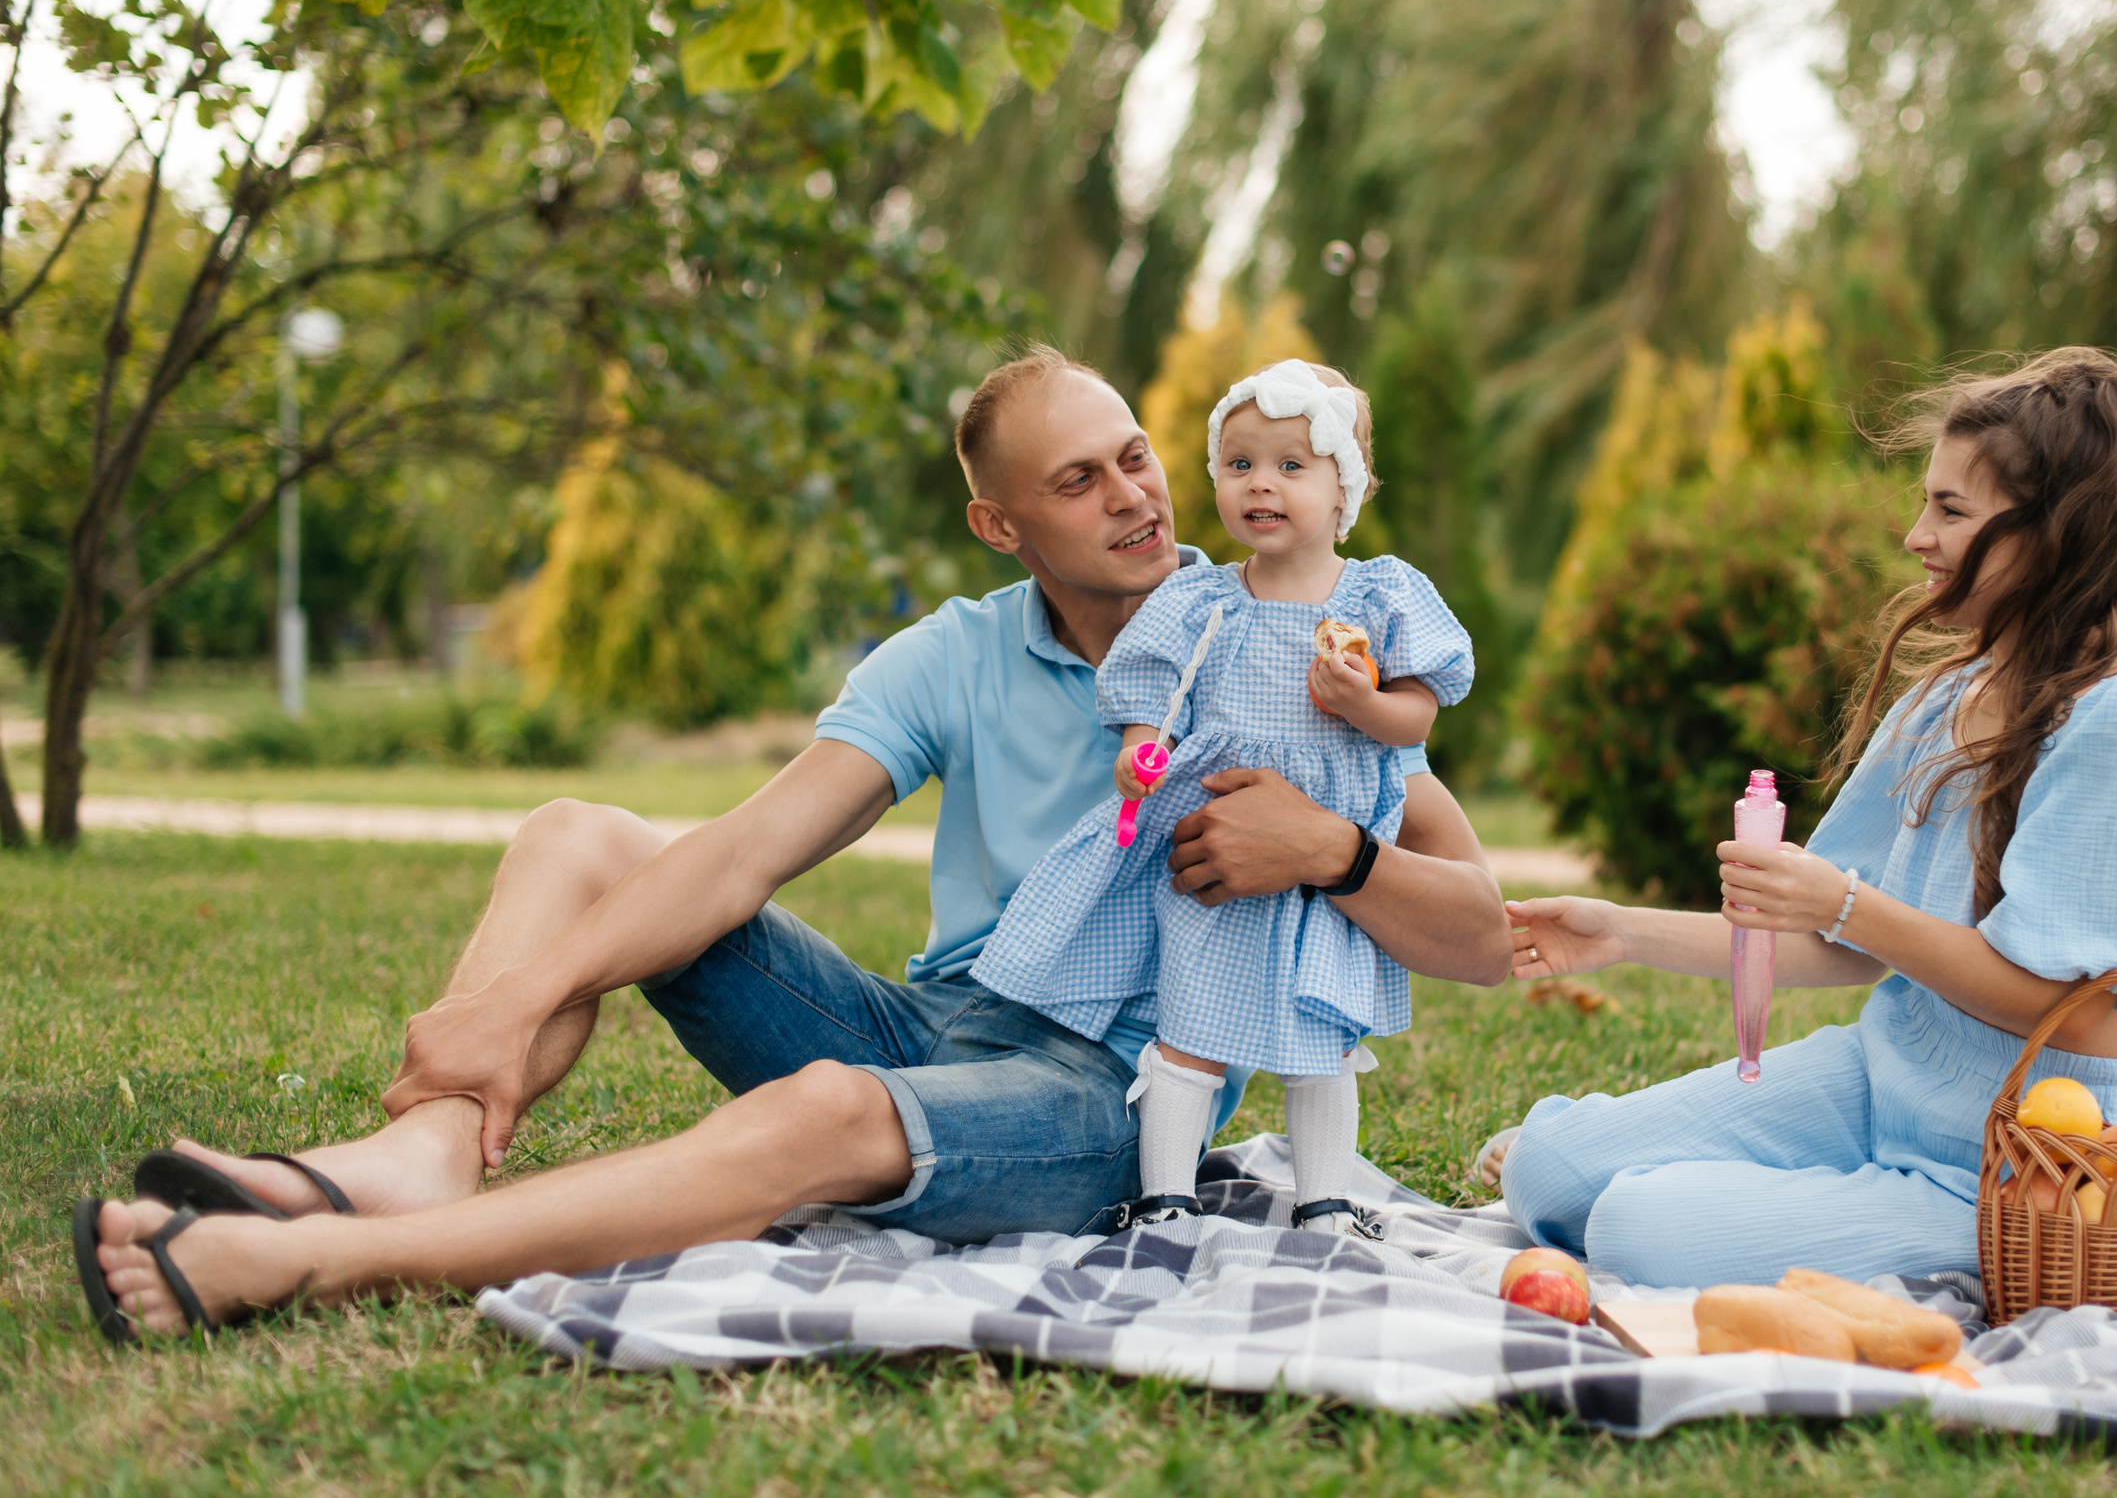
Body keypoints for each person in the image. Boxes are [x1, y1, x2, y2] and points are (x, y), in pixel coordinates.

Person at [74, 348, 1511, 1339]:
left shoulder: (1286, 642)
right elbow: (744, 852)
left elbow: (1481, 934)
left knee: (823, 1109)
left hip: (1101, 1092)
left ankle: (324, 1255)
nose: (1136, 494)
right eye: (1079, 481)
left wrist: (1332, 852)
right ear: (999, 523)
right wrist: (504, 1007)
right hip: (929, 1015)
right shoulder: (953, 654)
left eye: (1137, 455)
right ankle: (427, 1156)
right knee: (585, 833)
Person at [1488, 349, 2117, 1289]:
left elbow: (2073, 1012)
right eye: (1926, 502)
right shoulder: (1949, 697)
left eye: (1952, 511)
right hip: (1877, 1080)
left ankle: (1793, 1211)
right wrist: (1620, 932)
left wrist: (1843, 900)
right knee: (1547, 1170)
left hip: (2019, 1158)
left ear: (2054, 535)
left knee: (1637, 1226)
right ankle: (1769, 1190)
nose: (1918, 536)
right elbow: (1842, 943)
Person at [974, 359, 1474, 1237]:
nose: (1261, 486)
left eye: (1291, 466)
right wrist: (1141, 755)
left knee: (1324, 1037)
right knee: (1188, 1022)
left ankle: (1327, 1199)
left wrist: (1364, 702)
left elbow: (1415, 715)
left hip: (1325, 858)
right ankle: (1167, 1193)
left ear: (1343, 485)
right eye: (1239, 465)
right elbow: (1148, 697)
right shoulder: (1203, 599)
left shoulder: (1378, 595)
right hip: (1213, 846)